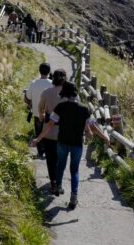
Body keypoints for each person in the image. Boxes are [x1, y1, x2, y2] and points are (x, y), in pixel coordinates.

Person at [31, 82, 108, 211]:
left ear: (64, 93)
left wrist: (38, 139)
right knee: (74, 171)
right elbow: (93, 127)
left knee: (60, 165)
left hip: (62, 142)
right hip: (77, 144)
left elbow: (50, 125)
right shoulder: (84, 109)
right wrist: (105, 137)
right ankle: (73, 197)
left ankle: (58, 186)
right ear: (75, 93)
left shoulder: (60, 107)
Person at [37, 69, 67, 193]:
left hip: (48, 131)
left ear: (52, 78)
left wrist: (41, 116)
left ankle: (53, 183)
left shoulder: (46, 92)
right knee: (61, 160)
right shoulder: (69, 94)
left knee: (50, 159)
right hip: (64, 131)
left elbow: (40, 108)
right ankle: (59, 183)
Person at [24, 63, 52, 158]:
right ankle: (48, 152)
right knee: (48, 132)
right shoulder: (52, 84)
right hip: (49, 114)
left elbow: (27, 98)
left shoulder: (34, 83)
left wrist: (30, 103)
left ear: (39, 71)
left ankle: (40, 152)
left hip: (37, 113)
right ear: (49, 71)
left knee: (39, 132)